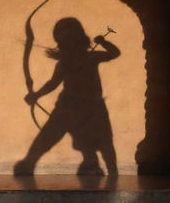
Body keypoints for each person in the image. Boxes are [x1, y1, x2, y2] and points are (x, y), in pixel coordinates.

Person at [14, 17, 120, 176]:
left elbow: (114, 53)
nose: (69, 44)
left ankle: (106, 169)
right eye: (65, 39)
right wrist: (36, 95)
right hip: (69, 106)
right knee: (49, 135)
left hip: (92, 107)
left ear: (78, 39)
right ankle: (29, 163)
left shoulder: (91, 57)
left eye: (71, 39)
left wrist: (103, 41)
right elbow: (53, 83)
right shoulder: (67, 62)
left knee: (103, 141)